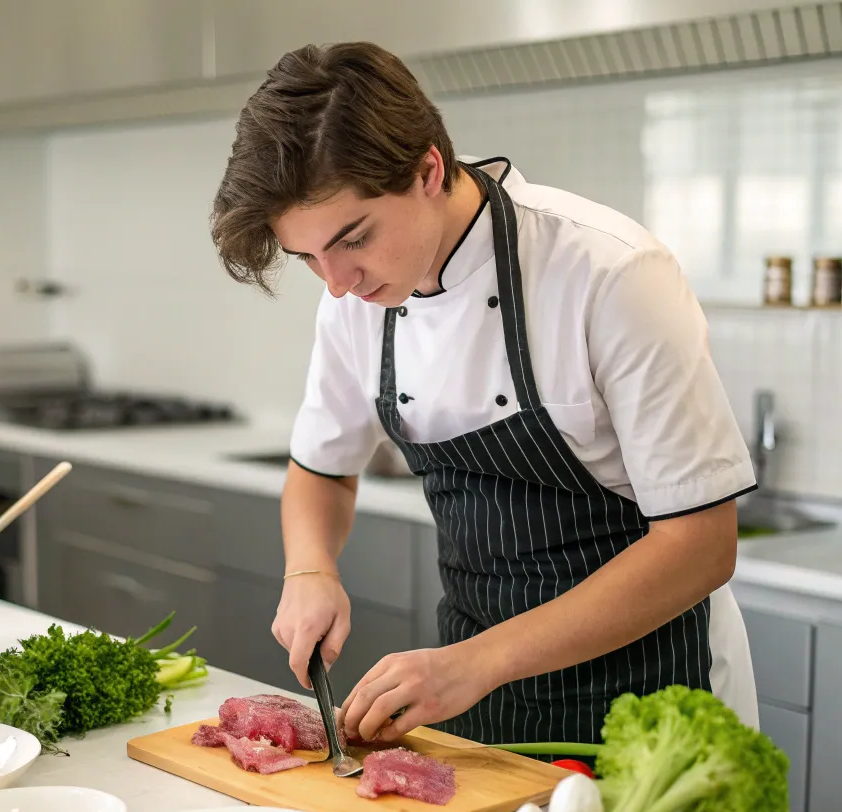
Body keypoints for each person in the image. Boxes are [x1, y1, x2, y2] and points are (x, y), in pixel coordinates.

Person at [210, 41, 759, 748]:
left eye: (354, 239)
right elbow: (321, 469)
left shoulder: (608, 273)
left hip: (655, 698)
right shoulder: (355, 300)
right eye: (308, 258)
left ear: (428, 169)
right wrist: (310, 569)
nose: (338, 282)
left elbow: (701, 546)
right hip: (480, 707)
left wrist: (476, 663)